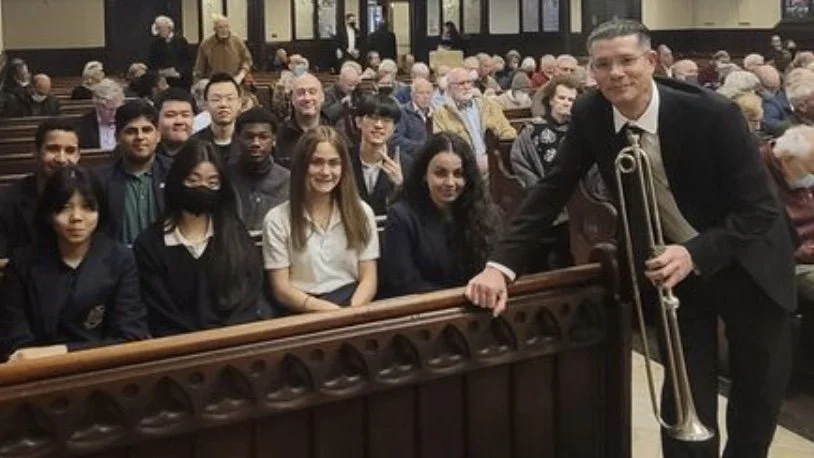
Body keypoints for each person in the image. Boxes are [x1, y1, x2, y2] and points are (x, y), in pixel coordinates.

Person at [466, 19, 796, 458]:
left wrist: (694, 252)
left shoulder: (713, 115)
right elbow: (552, 189)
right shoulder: (591, 113)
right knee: (683, 397)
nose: (615, 73)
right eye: (603, 64)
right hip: (677, 275)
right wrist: (500, 265)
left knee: (755, 401)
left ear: (652, 62)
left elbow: (761, 210)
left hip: (747, 260)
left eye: (626, 61)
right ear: (591, 72)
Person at [0, 166, 148, 362]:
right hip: (36, 376)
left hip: (104, 371)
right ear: (48, 214)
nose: (76, 218)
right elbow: (14, 339)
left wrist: (60, 351)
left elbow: (129, 336)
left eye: (88, 207)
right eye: (64, 208)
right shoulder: (22, 264)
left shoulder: (120, 259)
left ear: (100, 211)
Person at [133, 140, 271, 337]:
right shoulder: (150, 245)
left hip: (234, 343)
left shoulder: (235, 234)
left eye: (212, 183)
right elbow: (159, 310)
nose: (202, 188)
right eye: (193, 180)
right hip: (177, 349)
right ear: (177, 181)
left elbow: (248, 295)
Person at [262, 126, 379, 312]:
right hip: (302, 308)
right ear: (301, 166)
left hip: (353, 304)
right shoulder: (277, 220)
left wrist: (350, 312)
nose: (326, 172)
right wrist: (328, 313)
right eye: (316, 162)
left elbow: (369, 279)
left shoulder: (362, 212)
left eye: (334, 163)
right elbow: (281, 289)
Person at [380, 132, 500, 297]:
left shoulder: (482, 211)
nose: (450, 182)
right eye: (440, 173)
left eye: (458, 174)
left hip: (477, 304)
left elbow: (493, 266)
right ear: (424, 174)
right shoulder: (401, 217)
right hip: (426, 311)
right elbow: (404, 283)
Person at [0, 119, 81, 262]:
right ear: (36, 153)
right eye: (53, 149)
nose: (61, 159)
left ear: (78, 156)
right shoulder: (6, 201)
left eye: (70, 151)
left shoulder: (92, 198)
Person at [95, 100, 172, 246]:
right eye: (131, 131)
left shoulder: (175, 173)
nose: (140, 137)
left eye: (147, 130)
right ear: (117, 137)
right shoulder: (100, 180)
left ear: (158, 136)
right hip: (118, 264)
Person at [229, 107, 290, 231]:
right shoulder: (226, 177)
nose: (256, 143)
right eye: (249, 136)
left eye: (263, 137)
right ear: (237, 138)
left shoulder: (288, 180)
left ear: (273, 140)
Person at [349, 93, 408, 215]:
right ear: (358, 122)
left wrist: (399, 186)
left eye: (386, 120)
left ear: (394, 128)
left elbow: (413, 211)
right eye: (372, 118)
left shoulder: (406, 163)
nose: (379, 125)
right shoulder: (343, 159)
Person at [191, 73, 242, 162]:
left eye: (230, 98)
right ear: (206, 104)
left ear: (239, 103)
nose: (223, 104)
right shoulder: (194, 144)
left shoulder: (247, 142)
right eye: (216, 99)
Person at [193, 14, 253, 83]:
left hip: (235, 82)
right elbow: (199, 68)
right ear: (215, 29)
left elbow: (247, 60)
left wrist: (241, 75)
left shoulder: (237, 41)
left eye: (226, 27)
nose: (224, 30)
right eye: (220, 27)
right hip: (213, 83)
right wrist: (198, 83)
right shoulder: (206, 44)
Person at [148, 15, 192, 90]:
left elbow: (188, 61)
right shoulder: (155, 45)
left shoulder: (181, 41)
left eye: (160, 28)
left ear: (169, 28)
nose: (159, 31)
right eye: (157, 28)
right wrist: (159, 72)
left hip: (181, 82)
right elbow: (152, 64)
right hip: (163, 82)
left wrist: (179, 72)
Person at [154, 88, 195, 157]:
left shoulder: (206, 154)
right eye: (170, 115)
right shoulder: (146, 155)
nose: (179, 121)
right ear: (156, 119)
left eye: (185, 115)